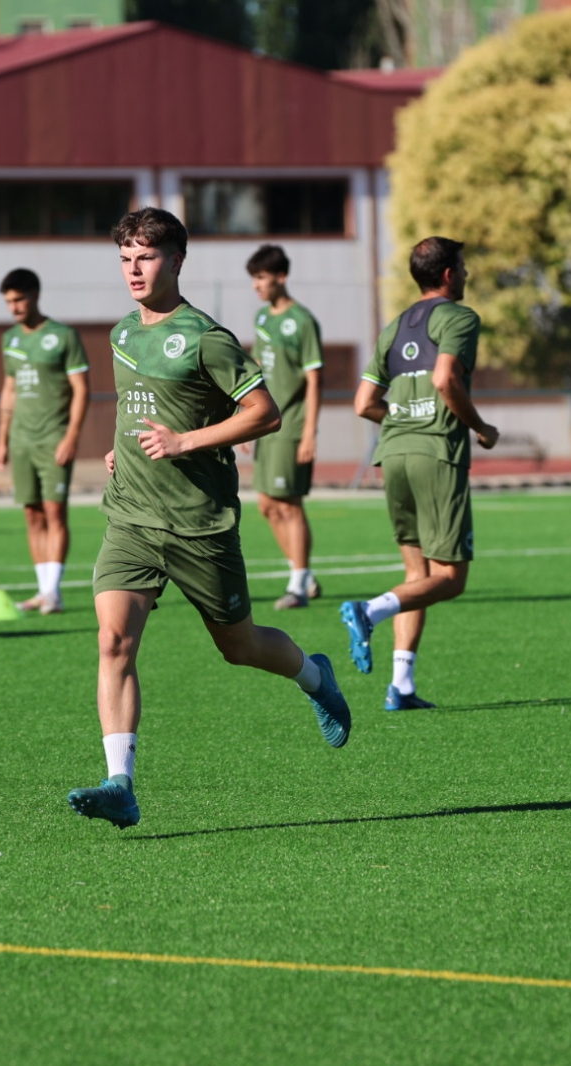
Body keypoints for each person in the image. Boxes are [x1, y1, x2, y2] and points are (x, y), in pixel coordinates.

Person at [67, 208, 351, 829]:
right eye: (125, 259)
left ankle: (315, 676)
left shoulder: (207, 338)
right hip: (132, 517)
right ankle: (121, 783)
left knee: (240, 646)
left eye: (146, 257)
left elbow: (264, 413)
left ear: (176, 260)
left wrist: (184, 442)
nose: (133, 270)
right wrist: (122, 445)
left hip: (199, 523)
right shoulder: (121, 334)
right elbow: (141, 406)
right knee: (113, 641)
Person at [339, 237, 498, 710]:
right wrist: (482, 427)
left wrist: (404, 418)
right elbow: (445, 379)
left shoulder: (394, 327)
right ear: (448, 274)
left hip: (393, 453)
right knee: (451, 578)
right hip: (436, 455)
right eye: (463, 267)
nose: (466, 274)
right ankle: (369, 611)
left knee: (417, 573)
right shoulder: (460, 318)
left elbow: (363, 403)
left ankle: (401, 686)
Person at [0, 268, 89, 614]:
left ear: (35, 295)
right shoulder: (10, 339)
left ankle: (53, 591)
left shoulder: (63, 336)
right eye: (9, 302)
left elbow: (81, 390)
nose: (14, 307)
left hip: (53, 438)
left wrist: (71, 436)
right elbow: (10, 389)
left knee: (54, 510)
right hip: (21, 439)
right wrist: (2, 440)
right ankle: (43, 590)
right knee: (32, 514)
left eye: (19, 299)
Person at [244, 244, 324, 610]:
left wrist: (309, 433)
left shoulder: (303, 321)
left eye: (261, 278)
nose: (256, 285)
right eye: (254, 278)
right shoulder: (263, 318)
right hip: (266, 423)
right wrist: (244, 415)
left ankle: (298, 586)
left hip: (291, 425)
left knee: (288, 504)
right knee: (266, 505)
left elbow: (315, 381)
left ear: (281, 277)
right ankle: (303, 574)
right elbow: (257, 366)